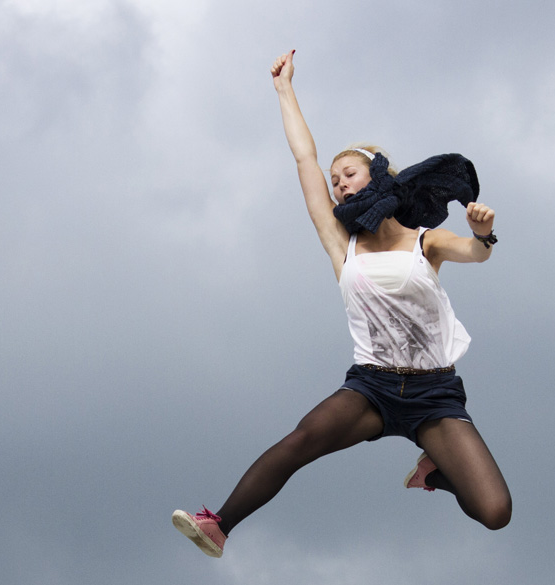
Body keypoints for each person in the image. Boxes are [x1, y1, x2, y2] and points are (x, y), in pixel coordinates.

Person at [172, 50, 511, 559]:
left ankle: (435, 473)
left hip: (434, 395)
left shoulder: (426, 242)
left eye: (348, 173)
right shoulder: (341, 244)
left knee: (495, 512)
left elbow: (475, 255)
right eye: (335, 181)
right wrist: (285, 89)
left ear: (378, 177)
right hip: (371, 387)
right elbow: (304, 159)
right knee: (301, 440)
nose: (339, 183)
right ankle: (218, 524)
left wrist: (483, 236)